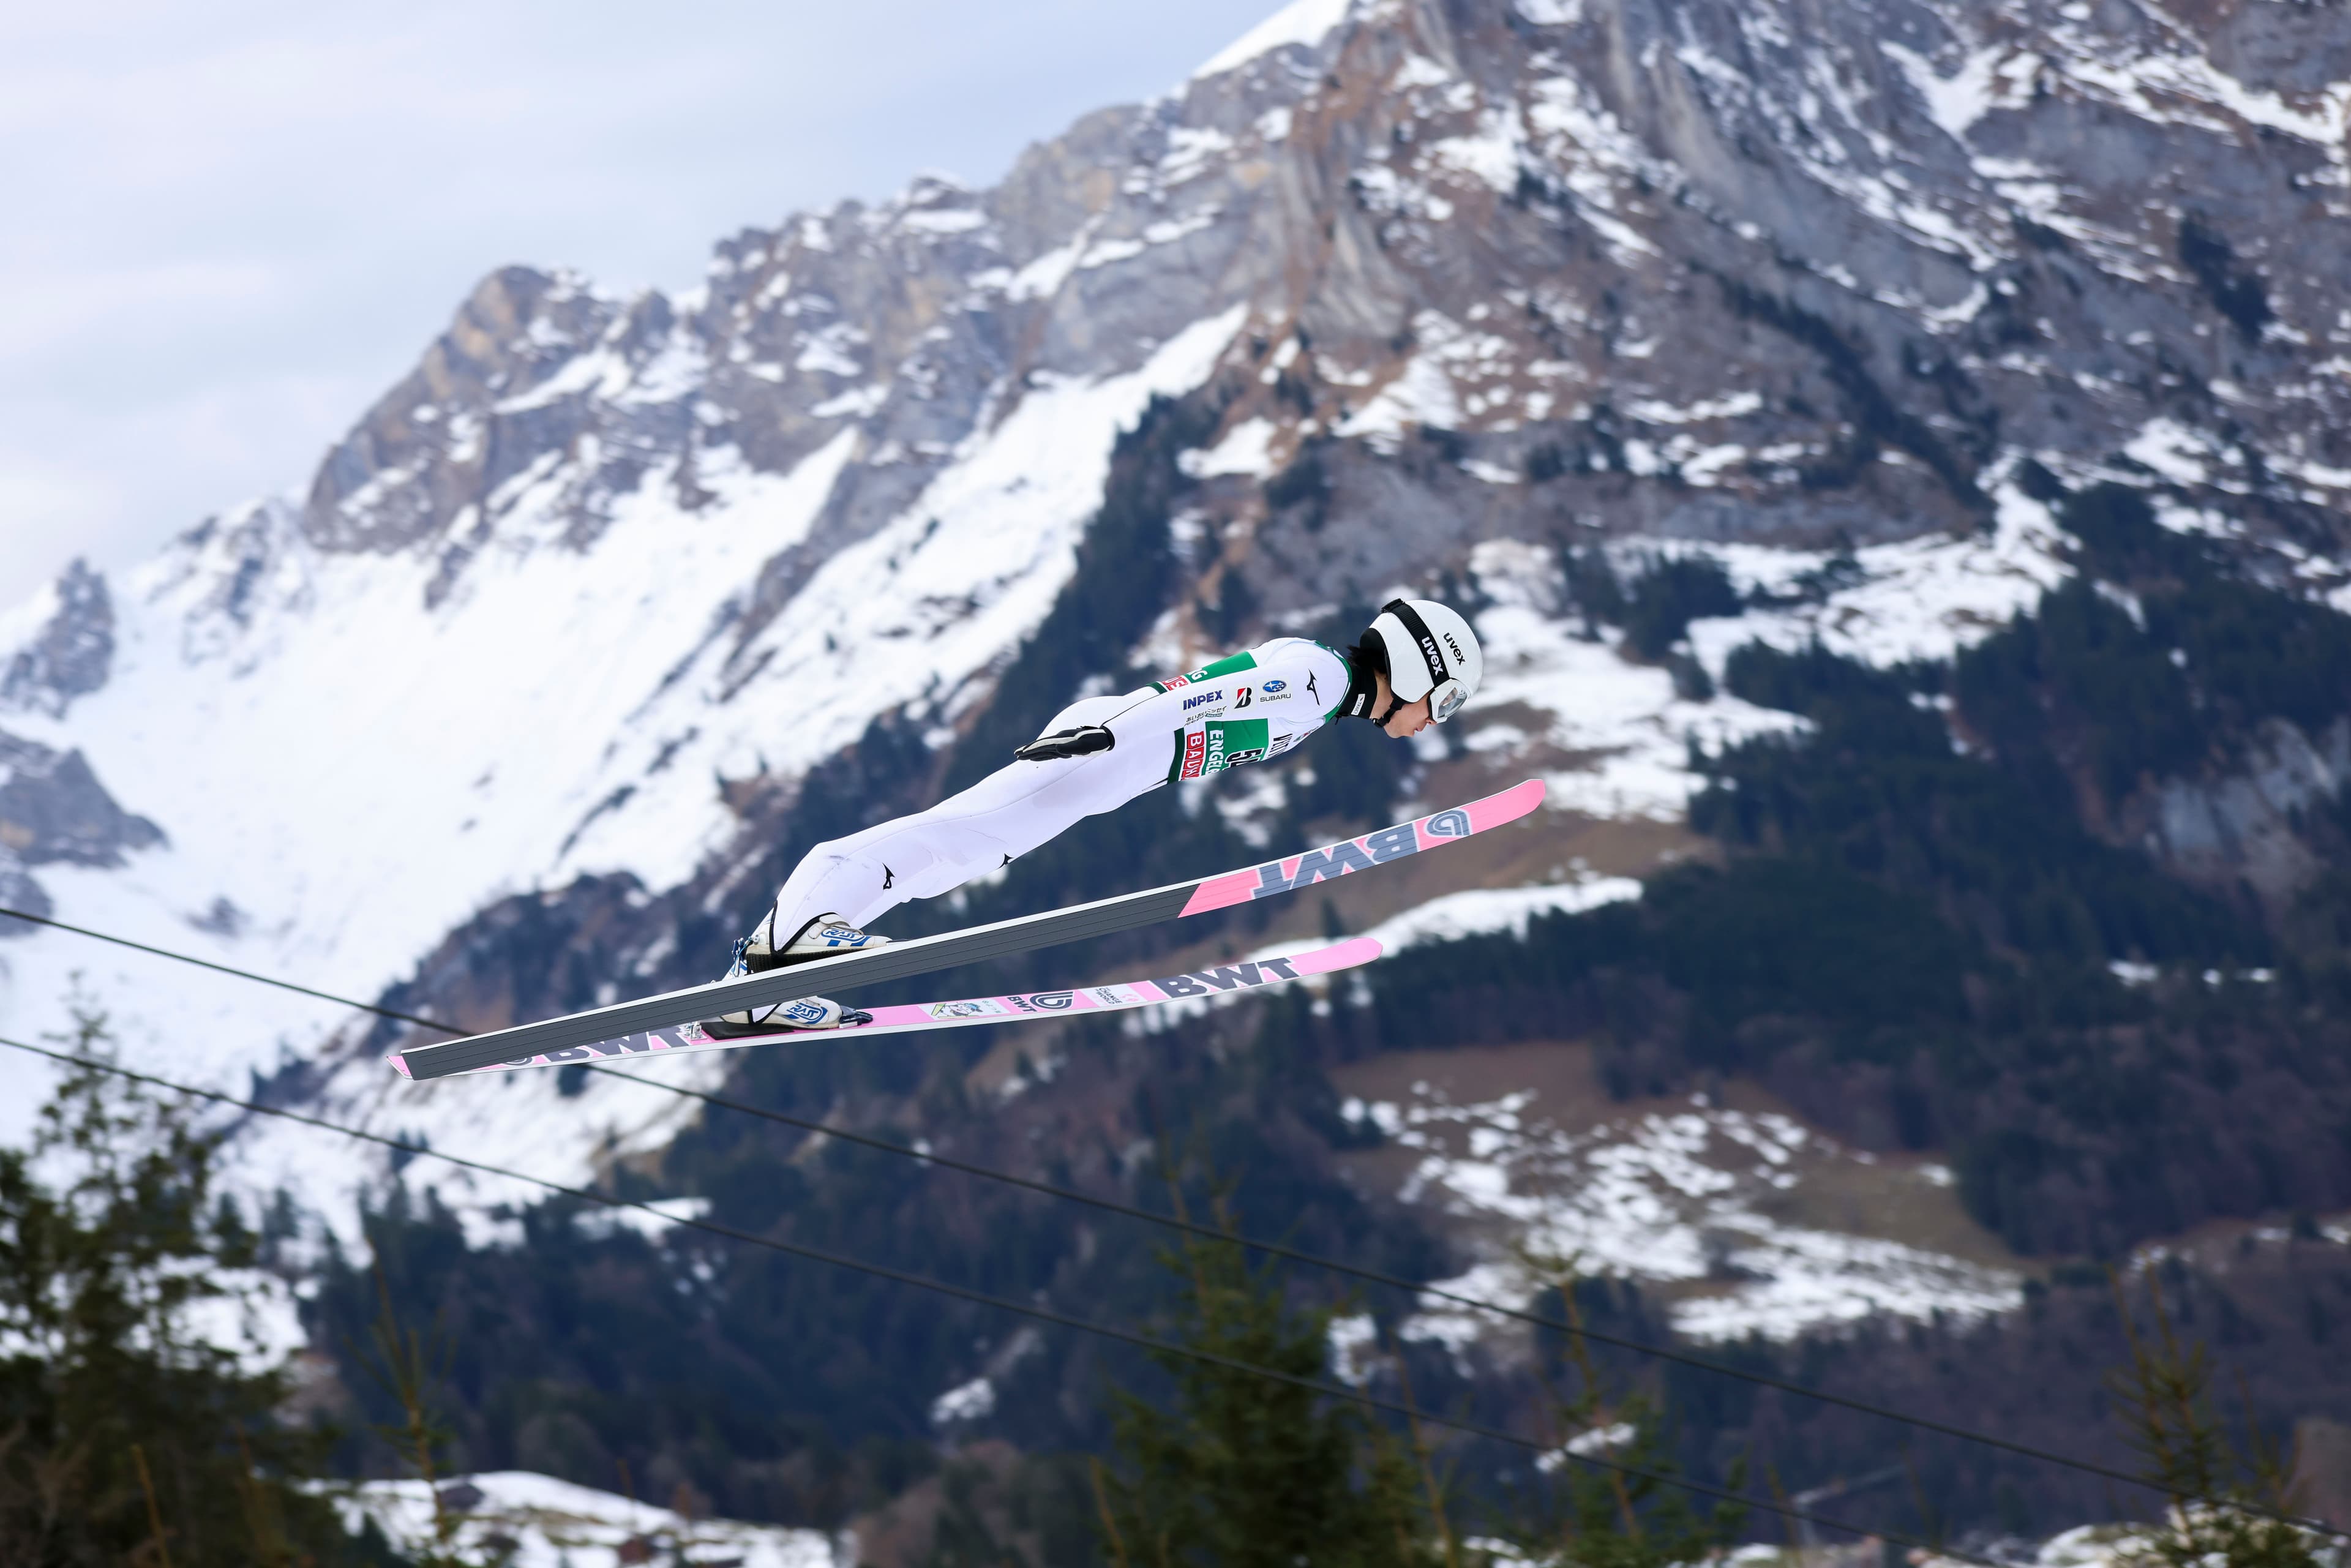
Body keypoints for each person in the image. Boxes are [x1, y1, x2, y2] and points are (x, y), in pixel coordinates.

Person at [710, 598, 1485, 1033]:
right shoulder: (1318, 679)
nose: (1433, 719)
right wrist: (1112, 733)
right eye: (1442, 700)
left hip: (1118, 759)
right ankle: (790, 937)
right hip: (1109, 749)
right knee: (958, 837)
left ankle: (772, 971)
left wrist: (1121, 740)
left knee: (963, 853)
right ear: (1421, 666)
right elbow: (1202, 699)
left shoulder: (1324, 681)